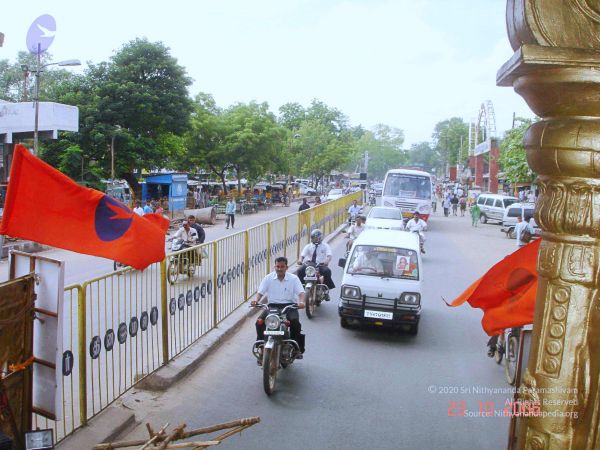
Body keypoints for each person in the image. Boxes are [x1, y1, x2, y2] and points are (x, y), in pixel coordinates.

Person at [252, 257, 306, 358]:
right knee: (259, 322)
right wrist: (256, 300)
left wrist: (301, 302)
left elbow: (301, 292)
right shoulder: (268, 278)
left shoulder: (293, 279)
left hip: (289, 306)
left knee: (295, 322)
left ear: (286, 267)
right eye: (277, 266)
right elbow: (260, 292)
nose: (279, 269)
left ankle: (295, 348)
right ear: (274, 267)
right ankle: (261, 346)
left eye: (282, 267)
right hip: (272, 306)